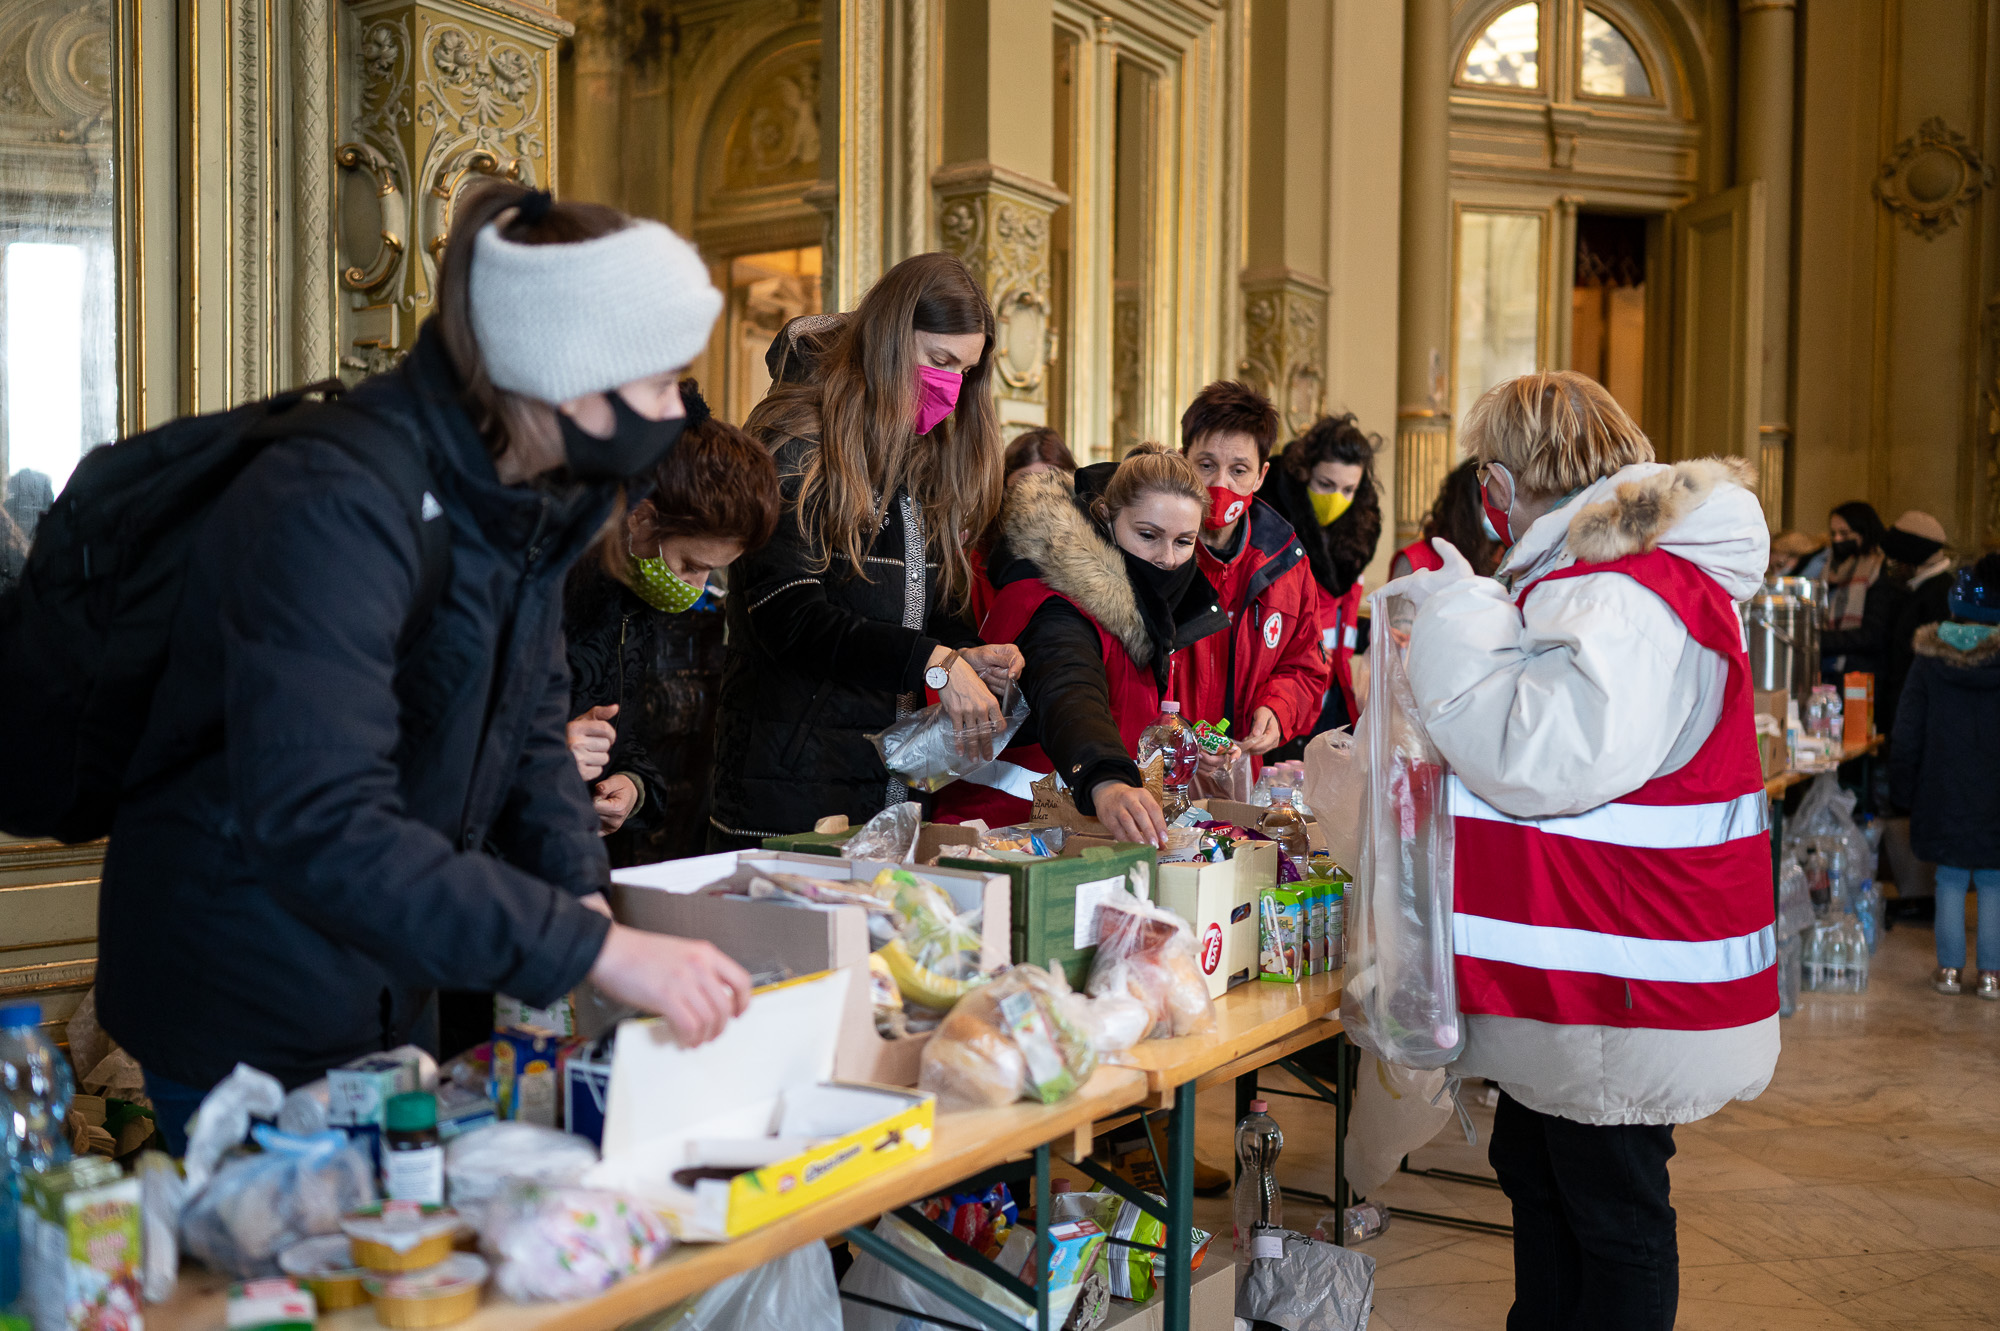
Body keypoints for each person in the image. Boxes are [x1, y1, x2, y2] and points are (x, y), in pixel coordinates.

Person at [94, 185, 753, 1150]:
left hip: (384, 973)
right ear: (574, 383)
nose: (674, 413)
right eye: (662, 383)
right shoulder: (337, 500)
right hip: (244, 987)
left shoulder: (526, 499)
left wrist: (580, 898)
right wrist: (596, 945)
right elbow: (324, 818)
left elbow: (532, 729)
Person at [1387, 370, 1774, 1331]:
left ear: (1502, 479)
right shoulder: (1604, 575)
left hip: (1619, 974)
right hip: (1584, 967)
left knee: (1613, 1216)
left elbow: (1542, 756)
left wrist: (1458, 612)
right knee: (1545, 1186)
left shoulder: (1628, 589)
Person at [710, 253, 1024, 847]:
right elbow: (788, 614)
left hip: (884, 787)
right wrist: (936, 661)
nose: (951, 388)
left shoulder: (926, 458)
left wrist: (966, 653)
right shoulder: (796, 441)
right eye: (938, 361)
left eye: (964, 370)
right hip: (788, 786)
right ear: (888, 339)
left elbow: (921, 612)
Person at [934, 444, 1230, 843]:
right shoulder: (1057, 604)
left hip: (1067, 833)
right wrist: (1105, 778)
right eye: (1148, 535)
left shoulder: (1141, 604)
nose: (1167, 559)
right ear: (1106, 518)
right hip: (999, 838)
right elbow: (1070, 691)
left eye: (1184, 541)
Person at [563, 387, 780, 864]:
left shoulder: (631, 599)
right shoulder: (551, 584)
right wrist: (549, 752)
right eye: (690, 565)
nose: (698, 589)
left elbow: (626, 734)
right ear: (642, 518)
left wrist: (634, 788)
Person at [1169, 381, 1329, 764]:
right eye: (1205, 466)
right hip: (1156, 777)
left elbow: (1307, 666)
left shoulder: (1286, 563)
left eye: (1239, 470)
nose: (1220, 485)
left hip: (1240, 778)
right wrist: (1181, 738)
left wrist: (1278, 709)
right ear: (1181, 461)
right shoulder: (1153, 555)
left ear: (1260, 476)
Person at [1889, 553, 2000, 999]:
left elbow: (1907, 731)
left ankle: (1950, 972)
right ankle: (1991, 976)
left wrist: (1902, 787)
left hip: (1942, 788)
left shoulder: (1928, 660)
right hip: (1995, 793)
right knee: (1994, 879)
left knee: (1950, 877)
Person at [1258, 413, 1384, 744]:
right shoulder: (1272, 535)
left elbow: (1336, 621)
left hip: (1334, 693)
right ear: (1303, 475)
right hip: (1280, 693)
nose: (1336, 499)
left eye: (1348, 489)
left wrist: (1380, 632)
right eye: (1326, 485)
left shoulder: (1354, 541)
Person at [1870, 510, 1954, 736]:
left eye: (1897, 559)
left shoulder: (1939, 595)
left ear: (1912, 558)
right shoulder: (1920, 590)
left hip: (1917, 713)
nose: (1892, 565)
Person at [1390, 459, 1504, 581]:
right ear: (1468, 506)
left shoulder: (1497, 561)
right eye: (1492, 502)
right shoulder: (1416, 560)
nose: (1502, 511)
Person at [1820, 500, 1887, 677]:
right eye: (1833, 533)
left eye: (1844, 533)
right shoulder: (1829, 569)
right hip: (1830, 666)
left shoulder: (1877, 568)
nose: (1837, 540)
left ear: (1863, 533)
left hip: (1862, 669)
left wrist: (1820, 639)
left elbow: (1872, 634)